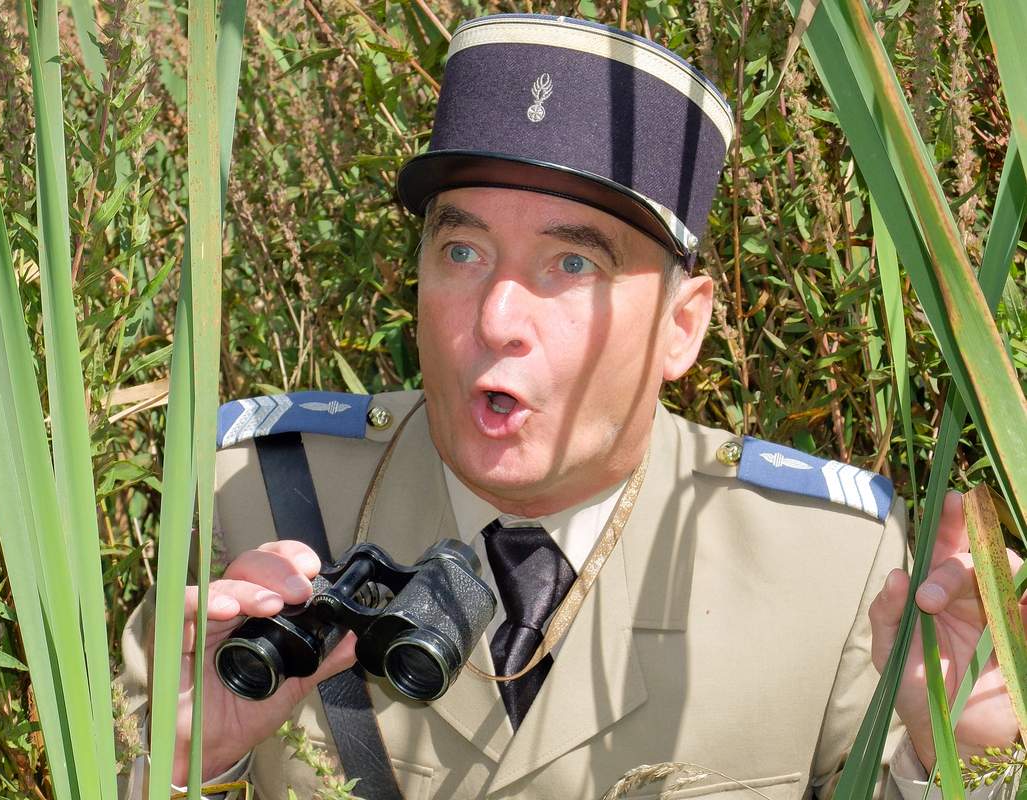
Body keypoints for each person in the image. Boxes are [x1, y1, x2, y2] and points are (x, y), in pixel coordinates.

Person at [120, 13, 1023, 800]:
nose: (496, 319)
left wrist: (971, 757)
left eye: (573, 264)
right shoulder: (259, 494)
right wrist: (188, 766)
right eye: (463, 251)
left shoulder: (824, 560)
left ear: (681, 326)